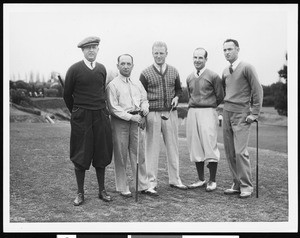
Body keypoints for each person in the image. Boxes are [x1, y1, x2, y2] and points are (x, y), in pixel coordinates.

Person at [63, 36, 113, 206]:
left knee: (102, 152)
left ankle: (102, 190)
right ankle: (80, 193)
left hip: (100, 115)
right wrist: (77, 112)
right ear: (83, 51)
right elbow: (67, 95)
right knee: (80, 154)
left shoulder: (101, 69)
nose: (91, 50)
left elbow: (101, 92)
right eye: (88, 48)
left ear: (98, 50)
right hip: (81, 117)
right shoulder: (74, 69)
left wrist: (102, 111)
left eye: (94, 47)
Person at [106, 54, 158, 198]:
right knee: (121, 155)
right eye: (122, 63)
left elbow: (144, 99)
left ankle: (143, 185)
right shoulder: (113, 85)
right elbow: (113, 108)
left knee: (139, 154)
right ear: (118, 66)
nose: (126, 66)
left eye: (129, 64)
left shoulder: (137, 82)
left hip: (137, 120)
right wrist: (131, 117)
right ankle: (123, 187)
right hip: (120, 121)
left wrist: (145, 108)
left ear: (133, 66)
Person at [139, 41, 188, 193]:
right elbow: (141, 95)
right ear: (152, 53)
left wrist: (177, 98)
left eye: (161, 53)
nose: (159, 56)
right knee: (151, 149)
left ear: (167, 53)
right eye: (156, 53)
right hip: (152, 113)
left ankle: (175, 179)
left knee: (173, 147)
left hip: (170, 112)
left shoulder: (174, 71)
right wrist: (143, 112)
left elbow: (179, 90)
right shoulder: (145, 73)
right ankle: (151, 183)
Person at [222, 39, 263, 199]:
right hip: (227, 112)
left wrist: (255, 113)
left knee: (240, 152)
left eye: (230, 49)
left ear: (237, 49)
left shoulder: (247, 67)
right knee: (230, 152)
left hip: (242, 113)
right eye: (224, 50)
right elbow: (226, 91)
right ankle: (237, 183)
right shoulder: (225, 70)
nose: (227, 52)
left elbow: (257, 90)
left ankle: (247, 186)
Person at [186, 47, 224, 192]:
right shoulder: (189, 77)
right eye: (195, 57)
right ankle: (201, 179)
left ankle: (212, 180)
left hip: (208, 111)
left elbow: (220, 96)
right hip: (192, 112)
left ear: (206, 59)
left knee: (209, 144)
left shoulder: (213, 76)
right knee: (195, 145)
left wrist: (209, 106)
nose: (197, 60)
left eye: (200, 58)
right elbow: (190, 95)